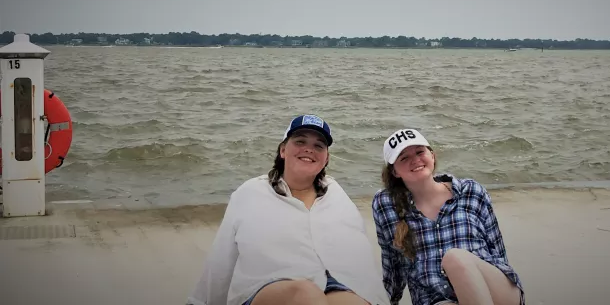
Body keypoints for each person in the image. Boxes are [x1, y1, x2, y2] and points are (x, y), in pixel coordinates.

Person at [188, 115, 391, 305]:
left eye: (318, 145)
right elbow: (222, 258)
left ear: (326, 158)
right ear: (283, 150)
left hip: (334, 282)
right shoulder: (250, 193)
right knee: (305, 294)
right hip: (267, 285)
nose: (309, 149)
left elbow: (359, 251)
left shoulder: (336, 194)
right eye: (300, 141)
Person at [372, 128, 524, 305]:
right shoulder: (386, 206)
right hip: (438, 299)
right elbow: (392, 266)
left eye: (420, 152)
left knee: (455, 259)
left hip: (496, 291)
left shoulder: (471, 191)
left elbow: (497, 251)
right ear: (395, 172)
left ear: (432, 156)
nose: (415, 160)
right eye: (404, 158)